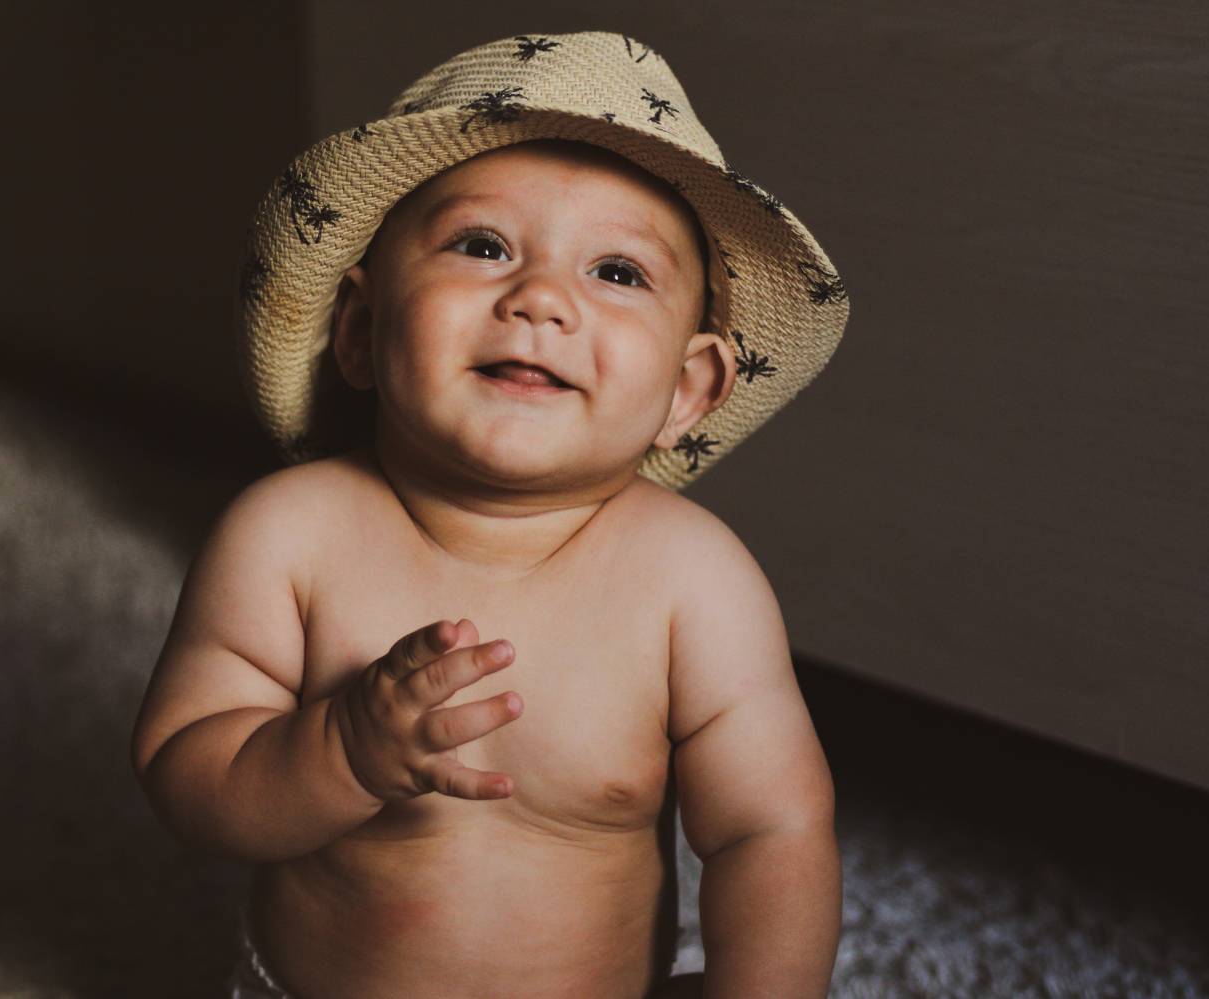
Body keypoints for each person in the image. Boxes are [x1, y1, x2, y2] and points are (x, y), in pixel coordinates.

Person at [131, 30, 851, 999]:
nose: (541, 299)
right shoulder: (288, 536)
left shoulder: (693, 580)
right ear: (361, 329)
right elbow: (185, 777)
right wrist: (337, 753)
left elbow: (770, 829)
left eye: (618, 272)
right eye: (482, 246)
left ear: (689, 389)